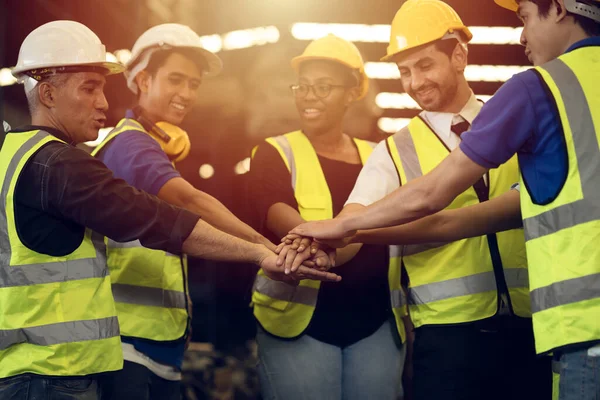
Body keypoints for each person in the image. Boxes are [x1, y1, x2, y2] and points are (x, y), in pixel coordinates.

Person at [0, 20, 339, 400]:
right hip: (82, 361)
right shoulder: (102, 153)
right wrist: (265, 250)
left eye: (194, 84)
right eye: (89, 88)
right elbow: (175, 212)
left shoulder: (16, 157)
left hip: (63, 360)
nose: (103, 103)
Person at [292, 0, 600, 399]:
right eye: (404, 72)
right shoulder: (392, 151)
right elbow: (354, 217)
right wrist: (324, 246)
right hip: (448, 339)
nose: (414, 83)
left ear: (458, 55)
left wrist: (345, 230)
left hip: (533, 328)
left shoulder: (525, 114)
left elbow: (442, 206)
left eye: (424, 66)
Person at [88, 23, 278, 399]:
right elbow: (190, 201)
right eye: (175, 79)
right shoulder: (131, 146)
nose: (187, 94)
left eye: (194, 84)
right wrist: (264, 247)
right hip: (127, 346)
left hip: (156, 344)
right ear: (142, 80)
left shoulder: (151, 147)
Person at [248, 34, 406, 400]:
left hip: (375, 320)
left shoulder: (379, 156)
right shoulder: (276, 150)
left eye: (322, 87)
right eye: (302, 86)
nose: (308, 96)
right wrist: (327, 239)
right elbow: (273, 211)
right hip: (299, 321)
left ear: (353, 93)